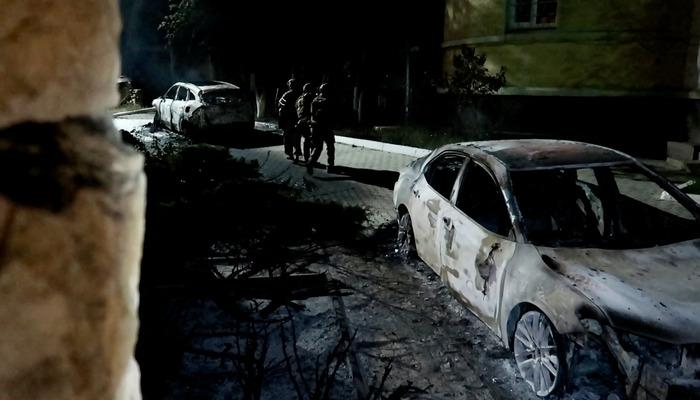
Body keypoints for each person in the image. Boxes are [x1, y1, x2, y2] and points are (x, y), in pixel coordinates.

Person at [307, 83, 334, 174]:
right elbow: (331, 115)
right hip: (326, 127)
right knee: (330, 146)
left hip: (315, 126)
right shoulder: (328, 100)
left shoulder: (315, 100)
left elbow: (311, 114)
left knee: (318, 147)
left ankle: (311, 162)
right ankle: (330, 165)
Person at [278, 78, 302, 160]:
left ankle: (290, 154)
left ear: (289, 86)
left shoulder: (287, 94)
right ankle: (297, 153)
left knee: (288, 137)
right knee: (296, 137)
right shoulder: (300, 94)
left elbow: (280, 104)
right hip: (297, 118)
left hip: (287, 119)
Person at [295, 82, 315, 162]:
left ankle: (297, 156)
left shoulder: (299, 98)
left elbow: (296, 107)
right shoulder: (311, 97)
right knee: (308, 139)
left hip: (299, 120)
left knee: (297, 139)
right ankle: (307, 158)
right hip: (307, 121)